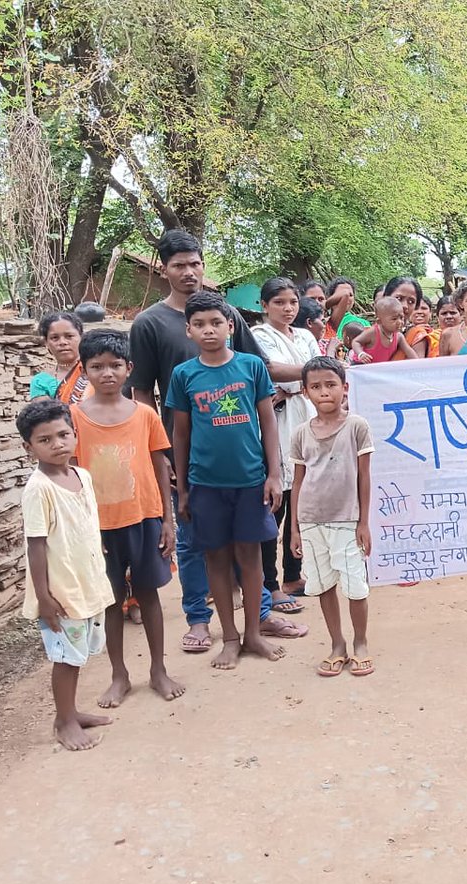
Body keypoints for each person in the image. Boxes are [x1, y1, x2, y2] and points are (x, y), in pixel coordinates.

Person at [128, 230, 306, 652]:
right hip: (186, 455)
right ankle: (199, 620)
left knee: (251, 540)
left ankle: (260, 616)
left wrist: (314, 371)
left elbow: (260, 370)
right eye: (178, 265)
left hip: (243, 461)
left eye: (195, 263)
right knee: (194, 544)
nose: (188, 272)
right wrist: (161, 454)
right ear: (163, 269)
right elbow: (141, 395)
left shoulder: (229, 314)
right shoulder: (149, 323)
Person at [167, 291, 287, 670]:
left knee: (250, 558)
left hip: (251, 481)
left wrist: (274, 473)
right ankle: (231, 638)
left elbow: (268, 422)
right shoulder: (184, 375)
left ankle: (253, 633)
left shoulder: (252, 367)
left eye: (216, 323)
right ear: (188, 330)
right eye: (199, 324)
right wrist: (183, 488)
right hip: (205, 485)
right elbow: (180, 434)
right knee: (216, 560)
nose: (208, 330)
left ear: (231, 327)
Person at [71, 330, 183, 709]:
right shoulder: (74, 418)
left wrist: (167, 521)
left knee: (149, 595)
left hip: (145, 517)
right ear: (84, 371)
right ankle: (119, 675)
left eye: (115, 365)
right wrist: (81, 530)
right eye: (97, 366)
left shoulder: (145, 415)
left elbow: (159, 466)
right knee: (111, 601)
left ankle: (158, 669)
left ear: (129, 369)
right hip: (98, 527)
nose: (107, 373)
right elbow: (70, 472)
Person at [16, 399, 114, 751]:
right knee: (66, 658)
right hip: (60, 591)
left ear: (75, 434)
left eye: (63, 435)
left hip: (85, 580)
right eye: (45, 440)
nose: (57, 444)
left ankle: (70, 712)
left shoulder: (81, 475)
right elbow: (37, 545)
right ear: (29, 448)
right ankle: (64, 721)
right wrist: (44, 597)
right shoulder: (38, 489)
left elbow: (86, 524)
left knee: (79, 654)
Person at [290, 357, 375, 677]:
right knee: (324, 584)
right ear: (304, 392)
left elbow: (364, 477)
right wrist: (295, 529)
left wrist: (363, 522)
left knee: (355, 586)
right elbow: (298, 481)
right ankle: (337, 644)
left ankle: (361, 643)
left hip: (347, 520)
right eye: (315, 387)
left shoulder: (357, 427)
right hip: (312, 520)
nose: (324, 392)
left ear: (344, 388)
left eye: (330, 384)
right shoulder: (301, 433)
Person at [253, 277, 320, 607]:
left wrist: (299, 379)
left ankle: (294, 575)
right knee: (275, 507)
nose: (288, 308)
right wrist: (307, 374)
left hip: (307, 417)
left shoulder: (307, 336)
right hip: (277, 423)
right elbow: (268, 371)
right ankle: (270, 582)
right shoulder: (257, 337)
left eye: (292, 302)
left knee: (302, 505)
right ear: (264, 306)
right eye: (279, 302)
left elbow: (320, 376)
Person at [30, 312, 93, 403]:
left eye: (69, 336)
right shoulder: (41, 382)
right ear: (46, 342)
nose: (62, 342)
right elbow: (45, 415)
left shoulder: (97, 371)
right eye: (55, 338)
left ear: (81, 337)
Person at [352, 296, 418, 363]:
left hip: (379, 368)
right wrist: (361, 354)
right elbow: (356, 342)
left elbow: (409, 351)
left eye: (401, 318)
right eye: (394, 319)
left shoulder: (399, 336)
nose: (399, 322)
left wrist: (419, 363)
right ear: (379, 321)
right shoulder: (373, 333)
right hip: (361, 365)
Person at [385, 276, 430, 359]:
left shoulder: (416, 335)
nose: (404, 306)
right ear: (386, 298)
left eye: (411, 301)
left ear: (416, 306)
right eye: (398, 298)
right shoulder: (372, 331)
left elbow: (417, 368)